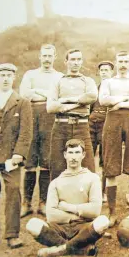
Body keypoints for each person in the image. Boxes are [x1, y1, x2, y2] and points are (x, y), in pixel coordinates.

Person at [25, 139, 109, 257]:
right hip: (60, 229)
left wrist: (68, 207)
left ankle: (60, 249)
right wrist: (77, 214)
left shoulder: (92, 178)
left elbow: (95, 210)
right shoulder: (55, 182)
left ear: (83, 155)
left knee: (103, 221)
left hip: (84, 227)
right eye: (70, 153)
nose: (73, 157)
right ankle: (79, 248)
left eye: (77, 153)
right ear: (65, 155)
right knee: (32, 224)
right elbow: (51, 216)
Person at [0, 63, 33, 249]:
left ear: (13, 78)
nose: (5, 78)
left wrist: (19, 153)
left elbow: (26, 132)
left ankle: (12, 235)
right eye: (2, 75)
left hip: (11, 156)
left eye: (8, 75)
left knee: (12, 191)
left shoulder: (22, 102)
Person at [99, 51, 129, 226]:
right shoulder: (108, 81)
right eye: (120, 61)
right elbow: (103, 100)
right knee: (110, 166)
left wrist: (119, 103)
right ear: (116, 62)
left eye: (126, 61)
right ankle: (112, 213)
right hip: (112, 121)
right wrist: (128, 98)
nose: (123, 64)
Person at [19, 44, 64, 218]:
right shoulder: (30, 74)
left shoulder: (59, 76)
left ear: (55, 56)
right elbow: (24, 95)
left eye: (50, 55)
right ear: (39, 57)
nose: (47, 59)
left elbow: (58, 98)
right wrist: (47, 95)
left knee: (47, 160)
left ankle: (44, 202)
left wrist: (37, 92)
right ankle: (27, 202)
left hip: (50, 118)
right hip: (31, 117)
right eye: (44, 55)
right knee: (30, 161)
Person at [47, 48, 97, 180]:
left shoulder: (88, 81)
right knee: (57, 166)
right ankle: (58, 199)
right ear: (66, 62)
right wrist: (80, 103)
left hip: (82, 127)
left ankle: (88, 199)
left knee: (88, 167)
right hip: (60, 127)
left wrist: (65, 102)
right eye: (72, 59)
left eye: (79, 59)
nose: (76, 62)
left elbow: (92, 97)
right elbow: (51, 107)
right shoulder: (58, 81)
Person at [89, 61, 114, 202]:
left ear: (111, 72)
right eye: (102, 70)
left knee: (106, 160)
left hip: (107, 125)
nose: (104, 72)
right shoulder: (95, 88)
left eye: (107, 70)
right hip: (92, 125)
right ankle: (90, 192)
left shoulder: (114, 88)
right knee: (88, 158)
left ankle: (104, 193)